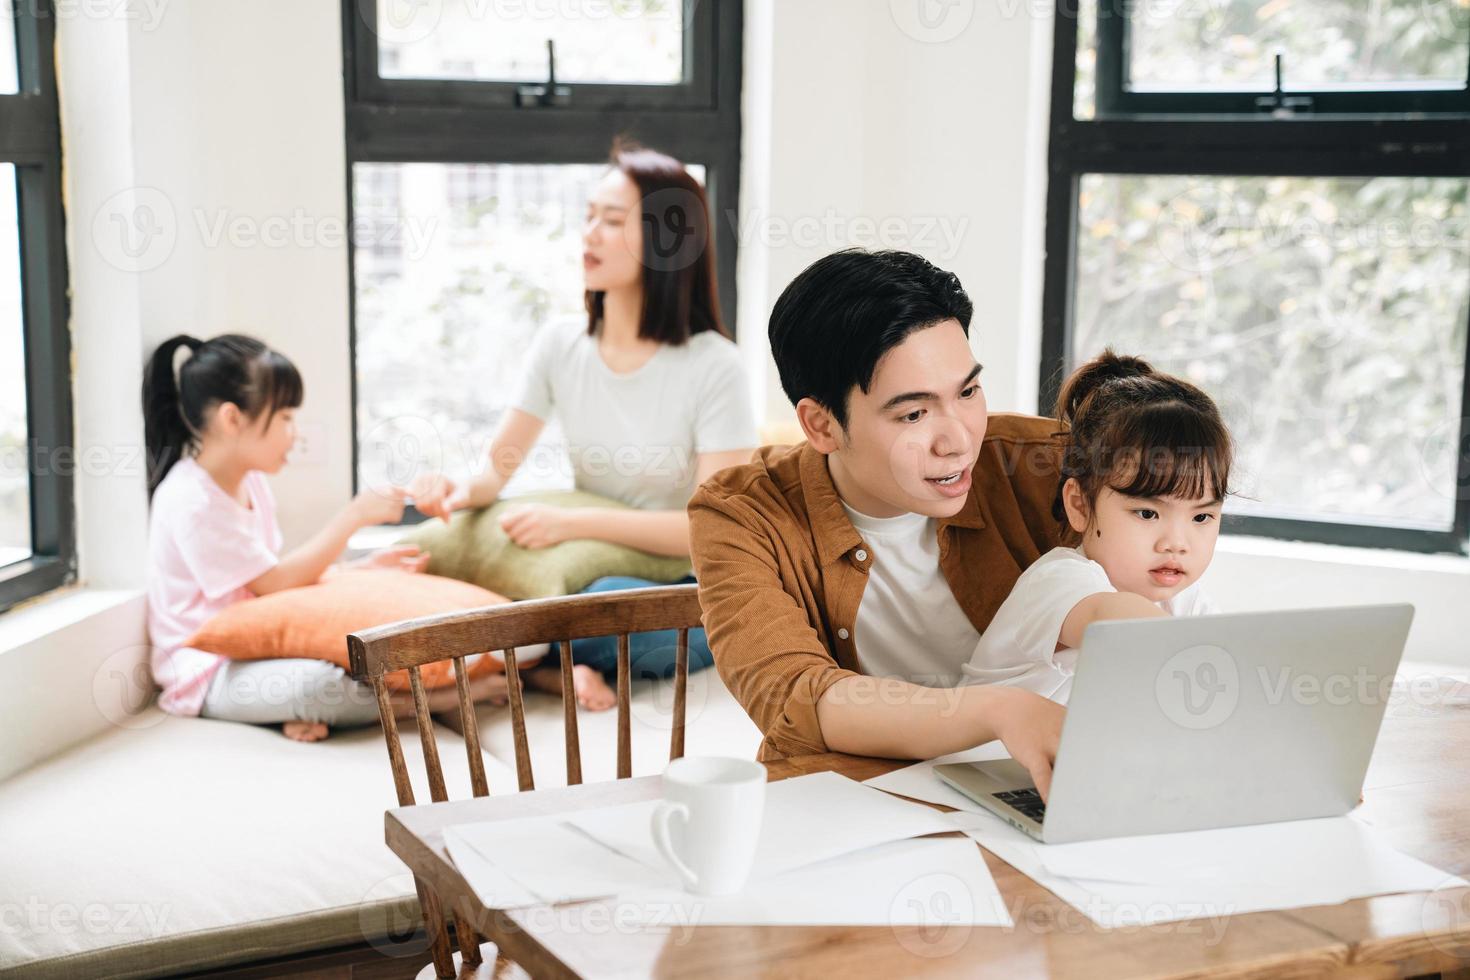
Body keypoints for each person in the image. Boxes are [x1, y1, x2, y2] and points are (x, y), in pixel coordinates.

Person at [689, 248, 1079, 800]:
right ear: (821, 425)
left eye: (967, 392)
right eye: (914, 414)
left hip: (1027, 792)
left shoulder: (1046, 467)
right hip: (851, 801)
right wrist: (995, 711)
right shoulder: (742, 512)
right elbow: (795, 695)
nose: (959, 440)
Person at [411, 140, 757, 710]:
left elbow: (710, 530)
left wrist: (572, 526)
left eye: (613, 220)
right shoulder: (560, 344)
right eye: (589, 216)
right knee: (496, 582)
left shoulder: (713, 364)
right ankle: (545, 665)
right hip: (583, 569)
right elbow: (495, 472)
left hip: (679, 584)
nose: (589, 234)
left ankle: (535, 662)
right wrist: (453, 489)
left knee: (610, 609)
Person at [143, 334, 507, 742]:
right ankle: (442, 698)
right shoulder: (193, 501)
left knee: (353, 656)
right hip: (206, 672)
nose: (294, 433)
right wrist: (354, 516)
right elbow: (274, 583)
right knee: (323, 685)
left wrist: (356, 571)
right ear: (232, 419)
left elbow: (267, 579)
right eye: (284, 417)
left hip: (259, 645)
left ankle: (292, 712)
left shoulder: (249, 483)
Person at [961, 349, 1232, 698]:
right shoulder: (1058, 580)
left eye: (1201, 517)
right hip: (981, 752)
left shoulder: (1185, 604)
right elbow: (1108, 617)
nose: (1176, 543)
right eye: (1147, 513)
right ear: (1080, 506)